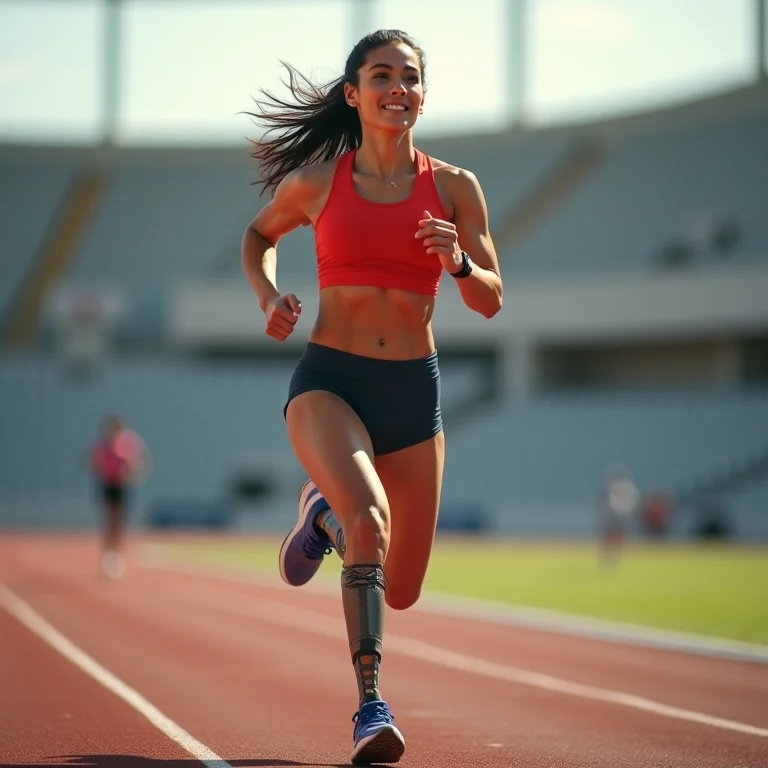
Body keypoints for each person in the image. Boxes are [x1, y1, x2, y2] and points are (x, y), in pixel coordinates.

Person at [241, 29, 502, 765]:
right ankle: (370, 707)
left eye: (410, 77)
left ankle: (319, 518)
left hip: (413, 395)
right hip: (331, 381)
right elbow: (259, 234)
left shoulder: (455, 187)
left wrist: (456, 261)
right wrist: (267, 296)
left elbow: (491, 300)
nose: (398, 87)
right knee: (372, 525)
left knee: (406, 587)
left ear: (423, 94)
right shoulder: (321, 182)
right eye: (381, 75)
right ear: (353, 93)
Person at [87, 415, 147, 579]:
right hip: (108, 484)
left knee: (119, 522)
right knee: (109, 520)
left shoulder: (128, 443)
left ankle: (115, 555)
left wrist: (132, 471)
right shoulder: (101, 445)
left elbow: (139, 464)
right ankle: (107, 554)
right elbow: (92, 463)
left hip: (122, 486)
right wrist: (99, 467)